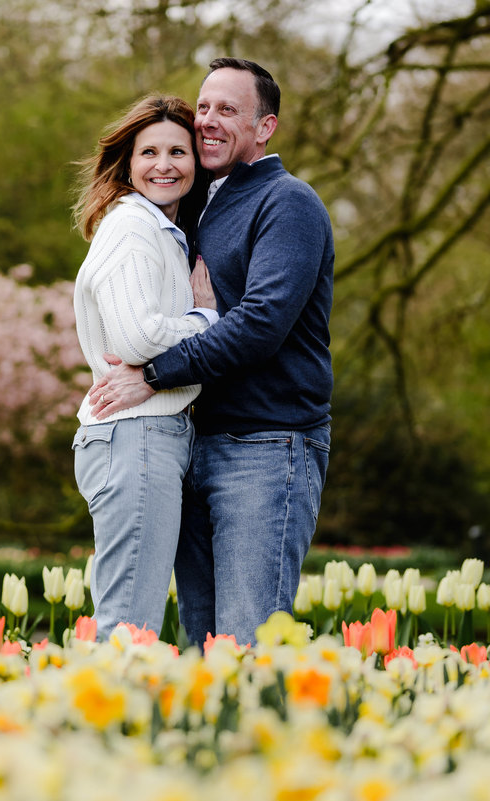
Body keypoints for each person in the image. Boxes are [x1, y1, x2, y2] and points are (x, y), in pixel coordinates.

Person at [89, 59, 334, 647]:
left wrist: (154, 374)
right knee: (202, 647)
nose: (208, 121)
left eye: (227, 109)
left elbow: (260, 324)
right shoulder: (199, 207)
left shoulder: (288, 202)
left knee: (248, 644)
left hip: (267, 446)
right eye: (203, 107)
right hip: (195, 442)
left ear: (266, 126)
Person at [71, 95, 218, 640]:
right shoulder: (132, 225)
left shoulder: (163, 231)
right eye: (149, 152)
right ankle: (102, 722)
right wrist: (207, 319)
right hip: (135, 435)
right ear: (127, 165)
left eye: (178, 151)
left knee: (134, 619)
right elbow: (137, 337)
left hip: (151, 432)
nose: (164, 164)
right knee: (127, 624)